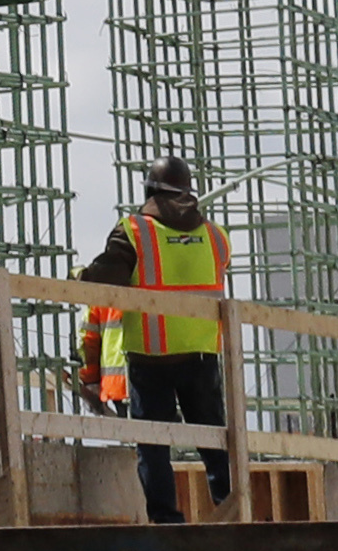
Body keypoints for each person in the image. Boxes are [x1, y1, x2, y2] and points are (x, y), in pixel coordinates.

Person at [79, 155, 233, 524]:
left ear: (149, 191)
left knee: (153, 447)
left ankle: (167, 522)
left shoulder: (134, 232)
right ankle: (233, 510)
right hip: (201, 356)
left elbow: (103, 281)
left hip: (151, 358)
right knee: (216, 443)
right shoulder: (215, 236)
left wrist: (79, 275)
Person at [78, 302, 130, 415]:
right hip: (156, 374)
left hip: (117, 383)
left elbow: (89, 342)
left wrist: (91, 381)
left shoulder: (101, 296)